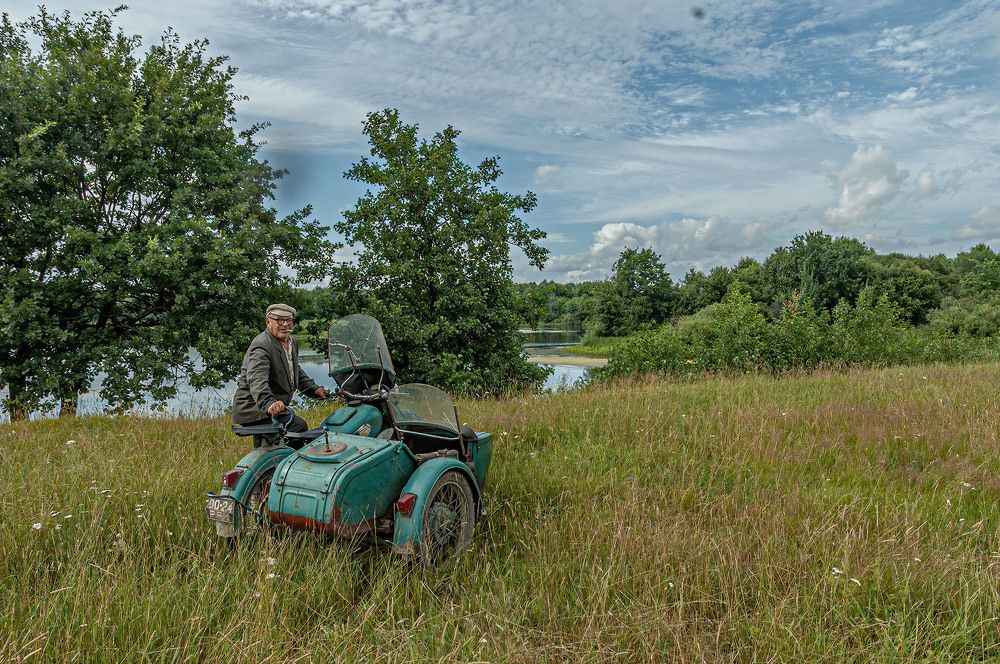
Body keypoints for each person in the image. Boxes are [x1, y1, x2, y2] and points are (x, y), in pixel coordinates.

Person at [232, 303, 328, 447]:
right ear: (268, 322)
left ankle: (277, 459)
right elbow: (257, 379)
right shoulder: (262, 345)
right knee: (298, 427)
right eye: (279, 320)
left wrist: (314, 389)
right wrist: (268, 402)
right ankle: (283, 465)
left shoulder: (291, 342)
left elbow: (295, 371)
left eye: (288, 320)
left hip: (271, 409)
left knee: (297, 428)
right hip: (254, 409)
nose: (284, 324)